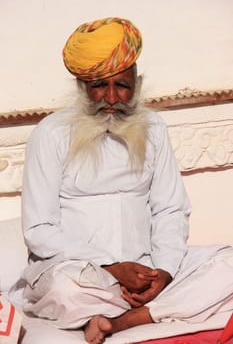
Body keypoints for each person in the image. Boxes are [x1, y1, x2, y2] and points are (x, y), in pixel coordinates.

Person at [19, 17, 233, 344]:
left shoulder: (154, 128)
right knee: (65, 291)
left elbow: (171, 210)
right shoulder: (50, 134)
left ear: (136, 84)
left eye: (122, 85)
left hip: (147, 270)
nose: (112, 98)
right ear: (81, 88)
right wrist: (112, 268)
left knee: (229, 264)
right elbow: (39, 229)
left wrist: (163, 272)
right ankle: (149, 308)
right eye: (99, 86)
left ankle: (125, 319)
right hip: (85, 275)